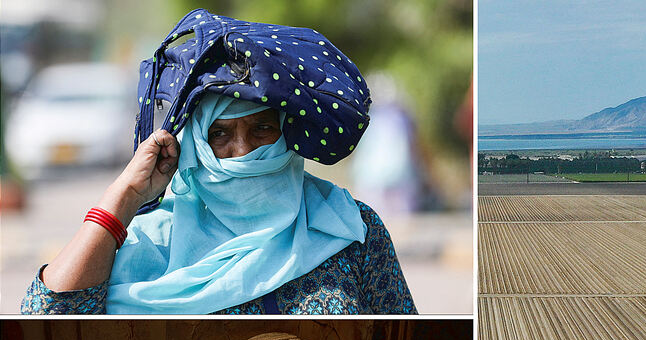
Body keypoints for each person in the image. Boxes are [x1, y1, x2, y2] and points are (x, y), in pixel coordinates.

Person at [21, 93, 416, 314]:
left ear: (286, 135)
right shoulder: (152, 242)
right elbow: (47, 314)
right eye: (220, 133)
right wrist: (126, 194)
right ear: (196, 144)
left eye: (262, 128)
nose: (242, 151)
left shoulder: (348, 227)